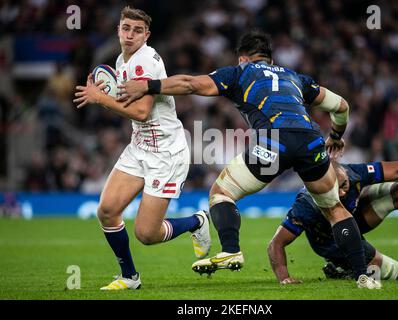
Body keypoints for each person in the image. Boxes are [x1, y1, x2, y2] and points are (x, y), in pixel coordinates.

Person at [116, 30, 380, 288]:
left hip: (275, 143)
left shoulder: (239, 73)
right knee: (334, 209)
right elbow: (341, 106)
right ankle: (362, 276)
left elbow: (190, 84)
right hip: (311, 140)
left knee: (221, 193)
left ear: (241, 58)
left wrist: (148, 85)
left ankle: (231, 249)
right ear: (270, 60)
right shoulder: (295, 77)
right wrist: (335, 135)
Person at [73, 6, 211, 290]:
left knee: (147, 234)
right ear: (118, 30)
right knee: (107, 211)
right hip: (139, 146)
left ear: (146, 35)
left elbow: (141, 113)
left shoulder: (145, 61)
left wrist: (101, 98)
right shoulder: (121, 60)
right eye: (126, 28)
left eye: (137, 30)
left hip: (166, 153)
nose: (130, 35)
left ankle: (197, 222)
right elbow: (131, 110)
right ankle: (129, 278)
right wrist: (107, 93)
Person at [268, 160, 398, 284]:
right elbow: (275, 244)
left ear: (346, 175)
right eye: (336, 189)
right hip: (331, 241)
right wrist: (285, 279)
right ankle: (342, 268)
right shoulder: (307, 204)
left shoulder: (355, 173)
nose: (342, 193)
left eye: (345, 185)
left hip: (354, 218)